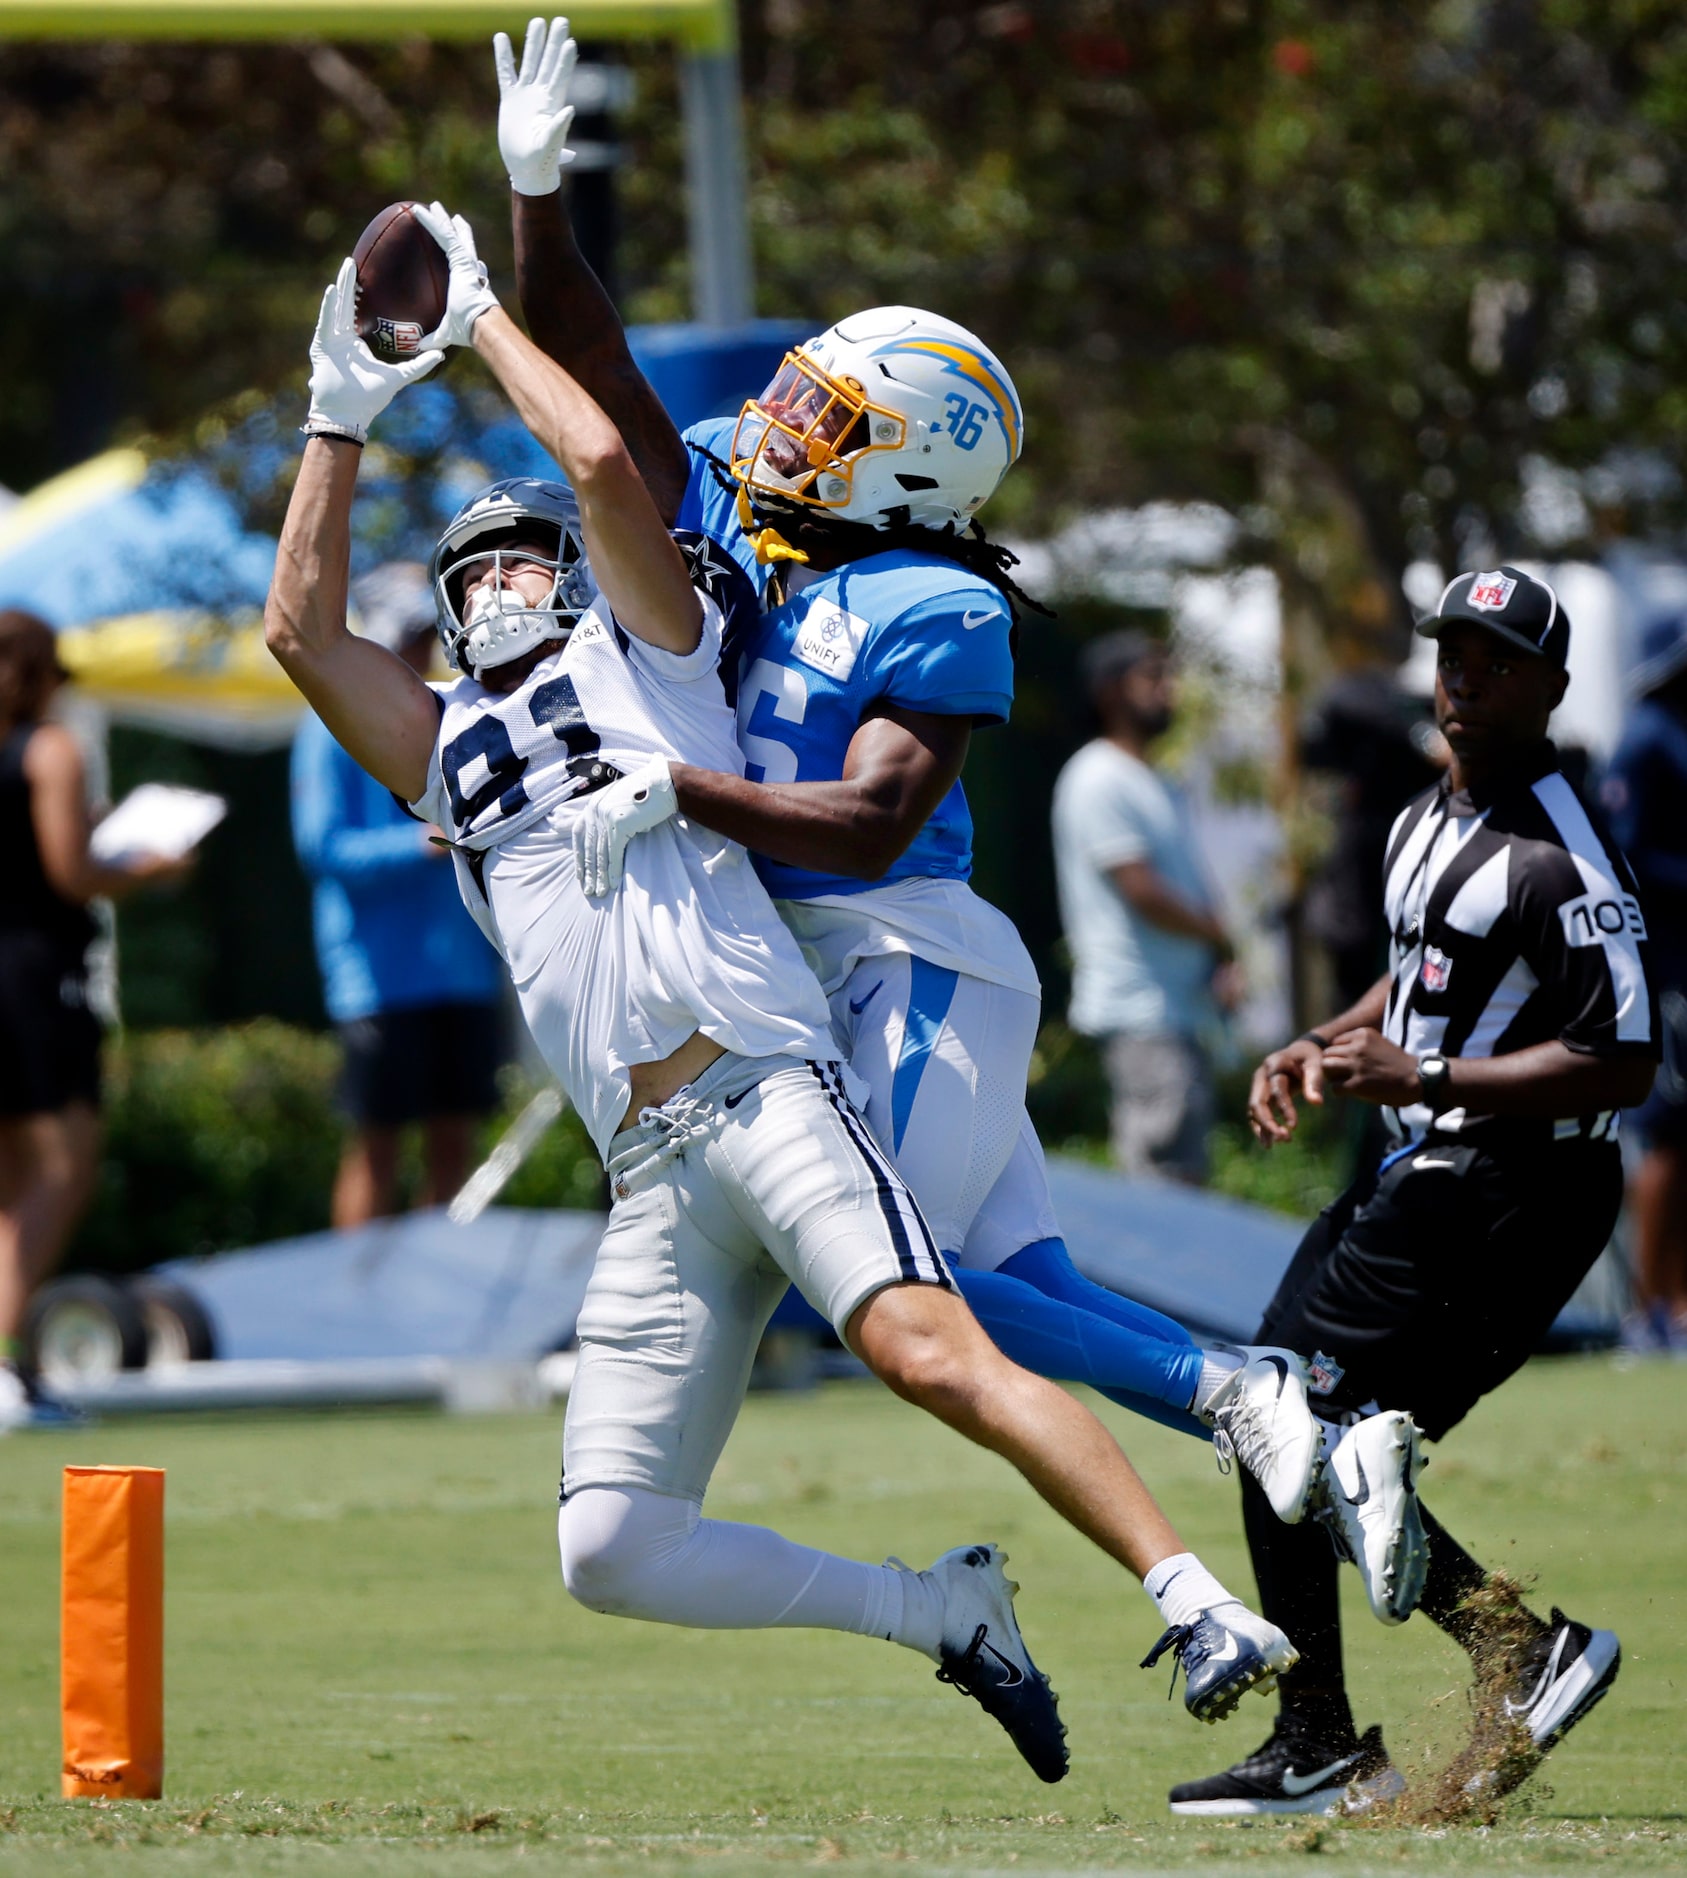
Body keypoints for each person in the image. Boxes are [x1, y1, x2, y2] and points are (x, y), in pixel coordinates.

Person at [262, 203, 1302, 1783]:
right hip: (645, 1166)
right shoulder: (454, 749)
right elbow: (298, 631)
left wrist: (481, 318)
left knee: (926, 1337)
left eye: (515, 553)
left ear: (579, 577)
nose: (490, 587)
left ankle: (1194, 1597)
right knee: (606, 1542)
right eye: (464, 572)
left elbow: (607, 468)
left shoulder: (655, 654)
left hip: (760, 1077)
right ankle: (933, 1612)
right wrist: (335, 412)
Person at [496, 16, 1327, 1528]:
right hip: (808, 967)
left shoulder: (933, 601)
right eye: (802, 394)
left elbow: (873, 825)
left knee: (897, 1287)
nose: (783, 422)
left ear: (910, 463)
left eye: (829, 416)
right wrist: (537, 194)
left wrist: (679, 793)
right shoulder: (740, 508)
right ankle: (1319, 1452)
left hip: (907, 954)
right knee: (1016, 1285)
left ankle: (1240, 1395)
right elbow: (595, 367)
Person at [1169, 567, 1659, 1817]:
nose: (1465, 676)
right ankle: (1461, 1681)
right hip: (1430, 1175)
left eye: (1496, 660)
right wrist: (1320, 1044)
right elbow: (1420, 979)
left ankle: (1341, 1729)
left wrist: (1429, 1072)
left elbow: (1624, 1052)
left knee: (1279, 1411)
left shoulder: (1561, 856)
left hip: (1511, 1190)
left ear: (1548, 686)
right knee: (1285, 1426)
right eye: (1451, 650)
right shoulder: (1417, 819)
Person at [0, 609, 189, 1429]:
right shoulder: (50, 748)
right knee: (61, 1173)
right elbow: (71, 875)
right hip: (37, 982)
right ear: (41, 676)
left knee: (12, 1184)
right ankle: (3, 1362)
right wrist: (151, 865)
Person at [291, 562, 508, 1226]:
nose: (422, 649)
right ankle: (359, 1320)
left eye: (427, 633)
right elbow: (320, 847)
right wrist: (419, 846)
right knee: (375, 1148)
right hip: (378, 978)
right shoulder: (325, 727)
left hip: (465, 972)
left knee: (455, 1142)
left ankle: (437, 1308)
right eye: (409, 634)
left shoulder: (454, 712)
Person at [1051, 631, 1237, 1183]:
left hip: (1174, 1008)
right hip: (1140, 1009)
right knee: (1163, 1183)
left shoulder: (1153, 778)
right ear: (1111, 692)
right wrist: (1220, 936)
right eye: (1153, 677)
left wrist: (1217, 961)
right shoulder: (1098, 776)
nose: (1169, 690)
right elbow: (1144, 891)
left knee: (1182, 1174)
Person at [1600, 614, 1687, 1351]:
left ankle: (1678, 1309)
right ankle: (1644, 1312)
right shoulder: (1646, 737)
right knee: (1663, 1135)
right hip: (1664, 972)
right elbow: (1626, 860)